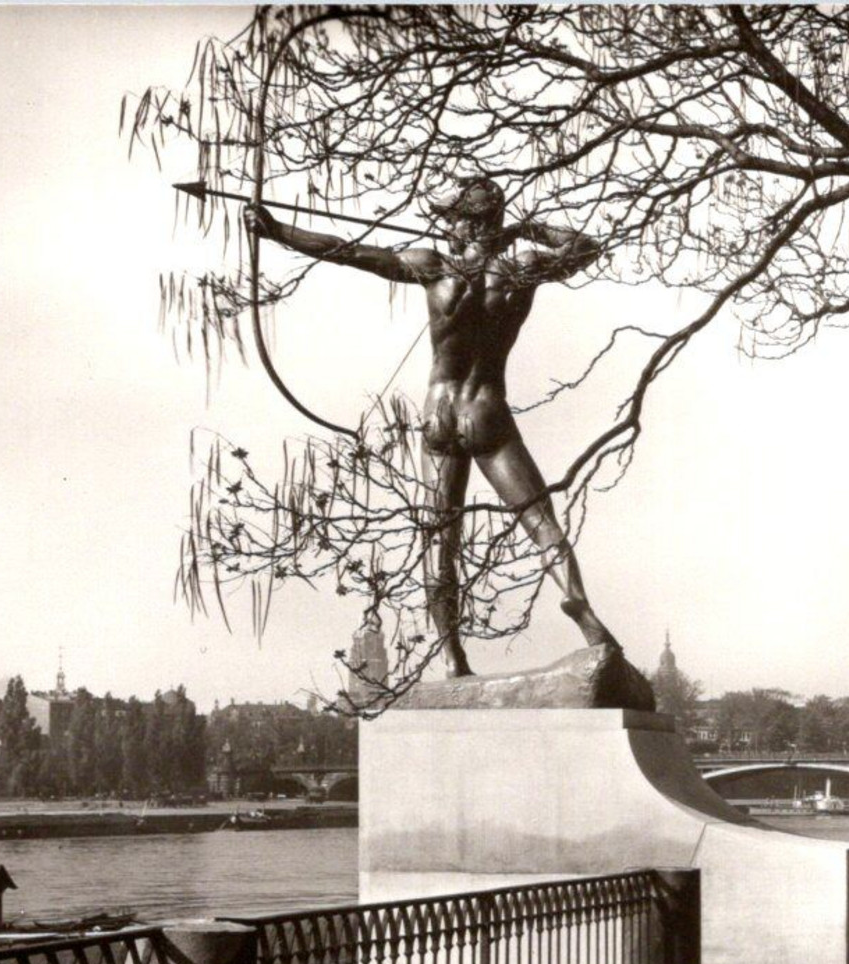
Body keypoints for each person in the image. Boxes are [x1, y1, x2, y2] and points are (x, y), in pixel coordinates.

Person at [245, 176, 615, 677]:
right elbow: (586, 248)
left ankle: (451, 655)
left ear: (465, 224)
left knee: (440, 537)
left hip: (439, 415)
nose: (448, 230)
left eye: (454, 220)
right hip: (487, 410)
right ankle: (582, 612)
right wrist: (528, 228)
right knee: (539, 520)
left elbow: (347, 251)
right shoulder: (521, 269)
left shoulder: (432, 268)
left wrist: (278, 231)